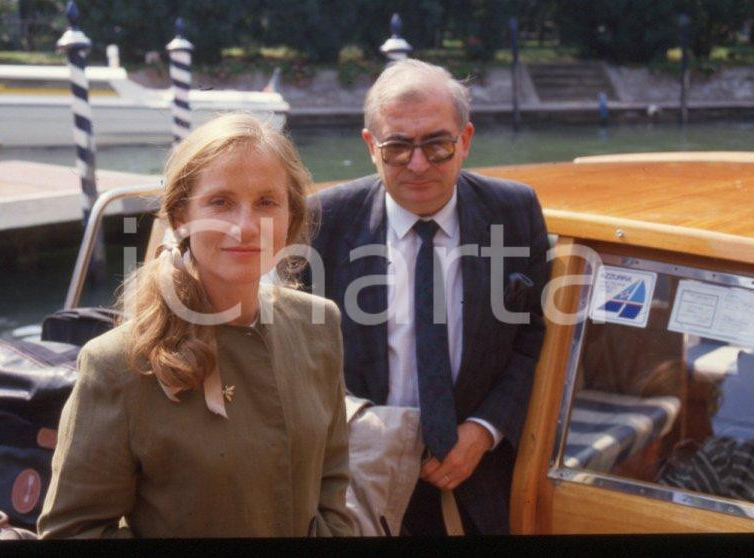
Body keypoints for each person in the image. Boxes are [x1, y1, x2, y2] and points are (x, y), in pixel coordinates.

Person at [37, 113, 355, 538]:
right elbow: (72, 530)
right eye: (220, 202)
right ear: (180, 217)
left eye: (266, 202)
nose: (245, 227)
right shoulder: (117, 364)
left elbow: (332, 484)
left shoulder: (318, 326)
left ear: (291, 218)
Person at [302, 59, 550, 535]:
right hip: (357, 479)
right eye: (397, 147)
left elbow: (533, 336)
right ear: (370, 146)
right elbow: (298, 357)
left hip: (481, 478)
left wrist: (485, 429)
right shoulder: (322, 223)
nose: (418, 165)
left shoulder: (514, 211)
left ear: (465, 140)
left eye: (437, 145)